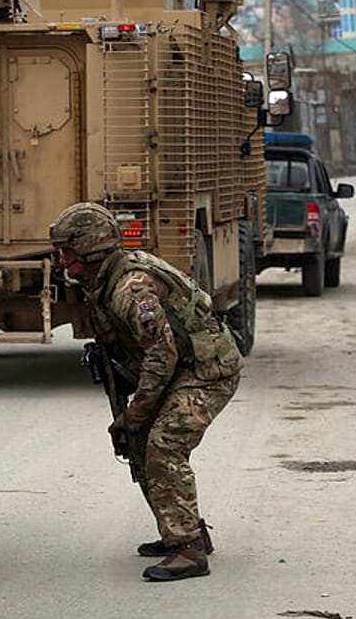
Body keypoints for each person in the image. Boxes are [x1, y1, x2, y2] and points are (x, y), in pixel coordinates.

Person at [49, 202, 241, 582]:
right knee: (138, 443)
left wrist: (136, 411)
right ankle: (184, 528)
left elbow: (162, 351)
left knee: (164, 443)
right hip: (182, 368)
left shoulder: (129, 289)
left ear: (91, 250)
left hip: (207, 371)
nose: (63, 262)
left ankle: (188, 549)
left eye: (68, 253)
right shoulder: (106, 279)